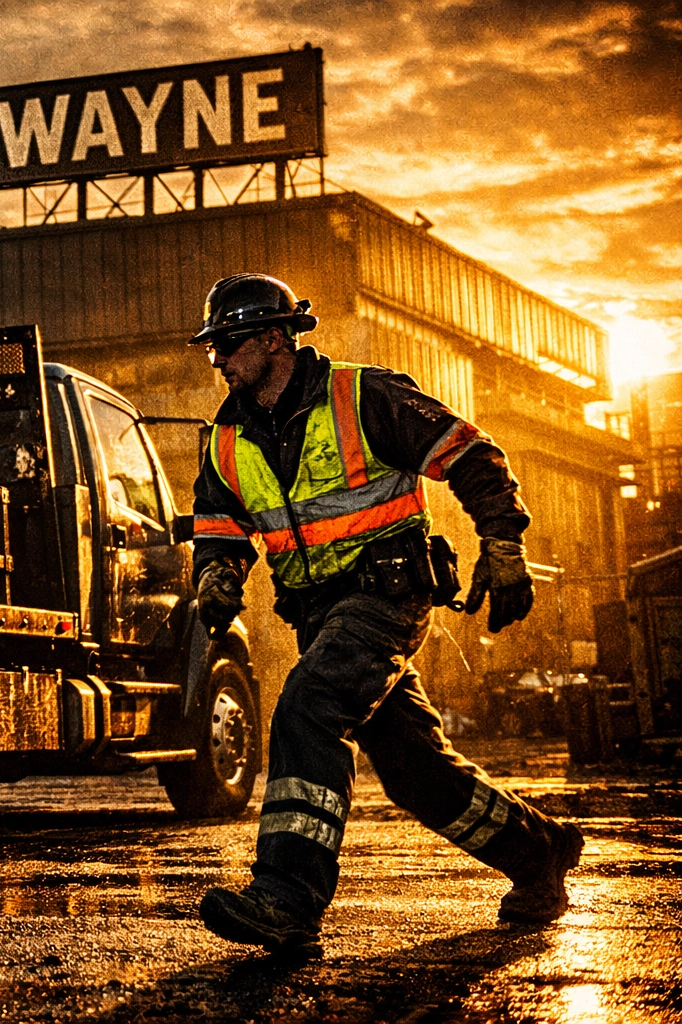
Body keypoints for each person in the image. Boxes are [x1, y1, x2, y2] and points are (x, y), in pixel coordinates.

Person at [187, 273, 583, 958]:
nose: (217, 360)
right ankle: (537, 852)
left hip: (388, 598)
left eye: (228, 344)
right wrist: (217, 573)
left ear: (275, 337)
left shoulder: (363, 396)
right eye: (212, 349)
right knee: (411, 770)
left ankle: (287, 899)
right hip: (317, 616)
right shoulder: (227, 437)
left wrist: (503, 544)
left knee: (307, 706)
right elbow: (219, 523)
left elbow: (474, 454)